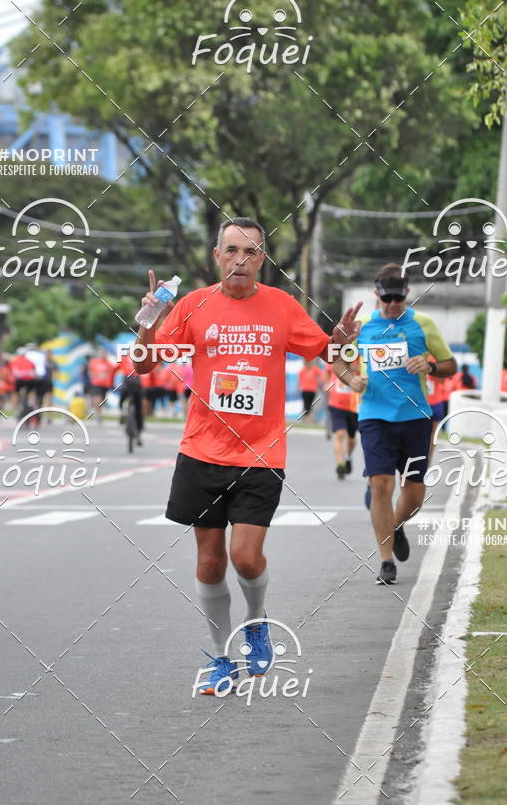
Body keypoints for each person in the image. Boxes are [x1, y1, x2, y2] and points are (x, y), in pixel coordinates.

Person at [133, 217, 361, 694]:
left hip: (261, 453)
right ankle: (220, 658)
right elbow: (144, 364)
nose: (241, 259)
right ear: (217, 255)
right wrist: (148, 326)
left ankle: (255, 623)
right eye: (232, 249)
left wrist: (342, 343)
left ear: (262, 259)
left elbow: (328, 353)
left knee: (245, 557)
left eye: (251, 252)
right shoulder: (194, 305)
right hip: (201, 451)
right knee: (210, 563)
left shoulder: (280, 306)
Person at [334, 263, 456, 586]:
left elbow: (450, 365)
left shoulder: (423, 325)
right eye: (386, 298)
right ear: (376, 294)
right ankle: (386, 560)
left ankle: (396, 524)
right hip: (374, 416)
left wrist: (429, 365)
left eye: (397, 299)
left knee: (414, 494)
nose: (391, 304)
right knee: (380, 486)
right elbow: (339, 361)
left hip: (416, 417)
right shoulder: (361, 327)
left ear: (407, 294)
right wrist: (351, 379)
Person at [324, 361, 360, 479]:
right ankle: (340, 465)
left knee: (351, 439)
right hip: (336, 404)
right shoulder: (335, 357)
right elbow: (328, 376)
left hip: (354, 406)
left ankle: (348, 457)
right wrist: (327, 385)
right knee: (339, 434)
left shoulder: (359, 357)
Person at [114, 352, 144, 443]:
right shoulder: (141, 357)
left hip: (127, 383)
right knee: (138, 409)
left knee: (122, 400)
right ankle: (138, 432)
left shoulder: (124, 358)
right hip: (136, 383)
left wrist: (112, 382)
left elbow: (114, 369)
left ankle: (122, 413)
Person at [87, 349, 116, 423]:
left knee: (102, 400)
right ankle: (98, 414)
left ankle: (97, 410)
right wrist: (93, 377)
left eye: (104, 353)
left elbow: (111, 374)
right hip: (96, 383)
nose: (103, 355)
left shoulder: (109, 364)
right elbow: (90, 370)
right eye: (102, 353)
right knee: (97, 398)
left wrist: (111, 383)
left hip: (105, 384)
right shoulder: (94, 362)